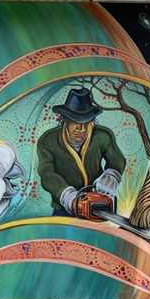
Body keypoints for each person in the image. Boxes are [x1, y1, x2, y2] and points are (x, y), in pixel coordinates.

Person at [36, 87, 126, 216]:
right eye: (75, 121)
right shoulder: (48, 140)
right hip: (64, 208)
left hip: (99, 204)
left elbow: (117, 161)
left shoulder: (103, 136)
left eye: (86, 122)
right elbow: (47, 174)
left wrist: (111, 176)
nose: (81, 128)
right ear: (64, 120)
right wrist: (67, 195)